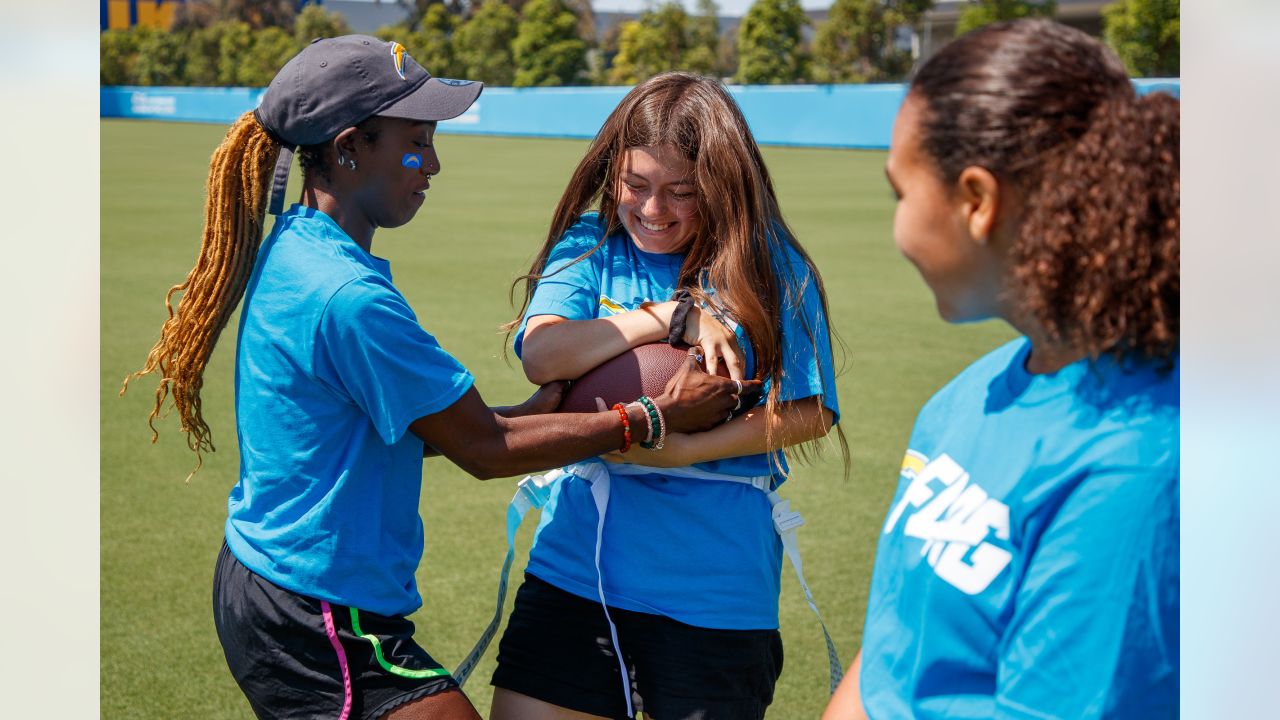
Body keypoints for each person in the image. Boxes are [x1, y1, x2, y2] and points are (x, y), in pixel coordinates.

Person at [121, 38, 746, 720]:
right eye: (416, 142)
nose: (435, 163)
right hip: (320, 613)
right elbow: (485, 450)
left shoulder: (298, 248)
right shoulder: (348, 299)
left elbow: (422, 425)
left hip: (275, 583)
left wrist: (529, 414)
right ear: (352, 145)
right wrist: (652, 417)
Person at [822, 18, 1179, 720]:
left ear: (977, 201)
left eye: (902, 192)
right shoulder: (970, 395)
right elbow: (894, 650)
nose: (898, 226)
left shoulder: (1136, 471)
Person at [489, 72, 845, 720]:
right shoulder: (590, 250)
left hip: (714, 591)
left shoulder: (772, 265)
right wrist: (670, 318)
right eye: (636, 186)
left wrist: (684, 450)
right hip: (576, 570)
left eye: (682, 191)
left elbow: (811, 411)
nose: (653, 210)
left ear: (722, 185)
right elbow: (544, 353)